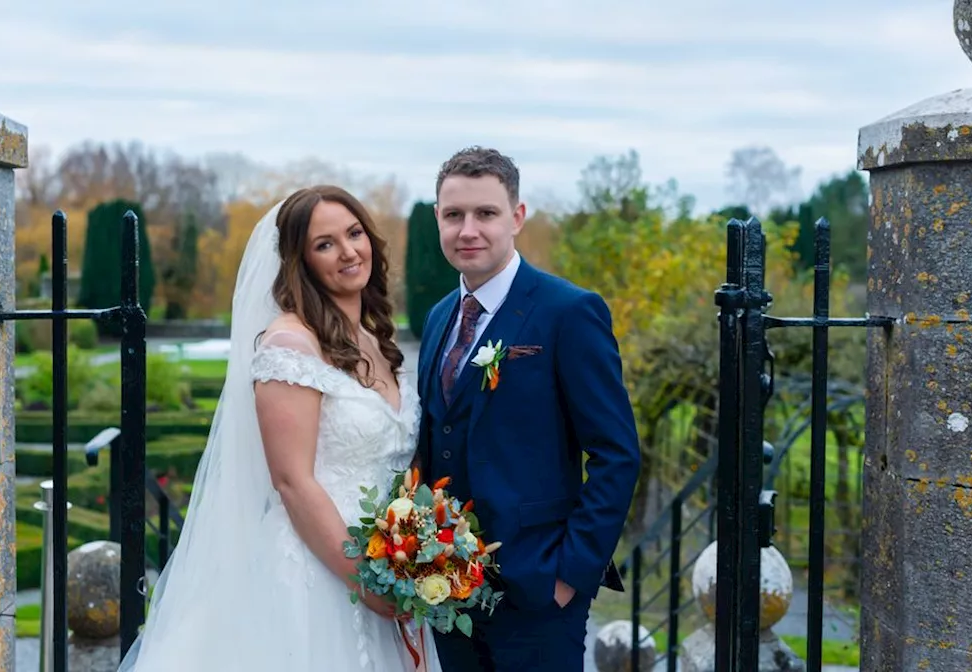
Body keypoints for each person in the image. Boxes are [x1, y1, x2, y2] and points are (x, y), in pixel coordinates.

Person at [119, 185, 440, 671]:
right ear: (301, 261)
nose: (349, 251)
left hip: (392, 564)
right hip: (321, 575)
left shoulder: (375, 337)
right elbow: (292, 480)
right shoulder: (290, 344)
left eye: (354, 233)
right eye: (325, 244)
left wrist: (415, 552)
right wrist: (363, 581)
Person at [416, 146, 641, 671]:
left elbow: (615, 453)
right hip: (444, 589)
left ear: (516, 217)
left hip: (539, 592)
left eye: (486, 214)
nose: (468, 229)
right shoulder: (438, 318)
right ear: (438, 220)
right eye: (454, 215)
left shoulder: (568, 311)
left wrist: (569, 576)